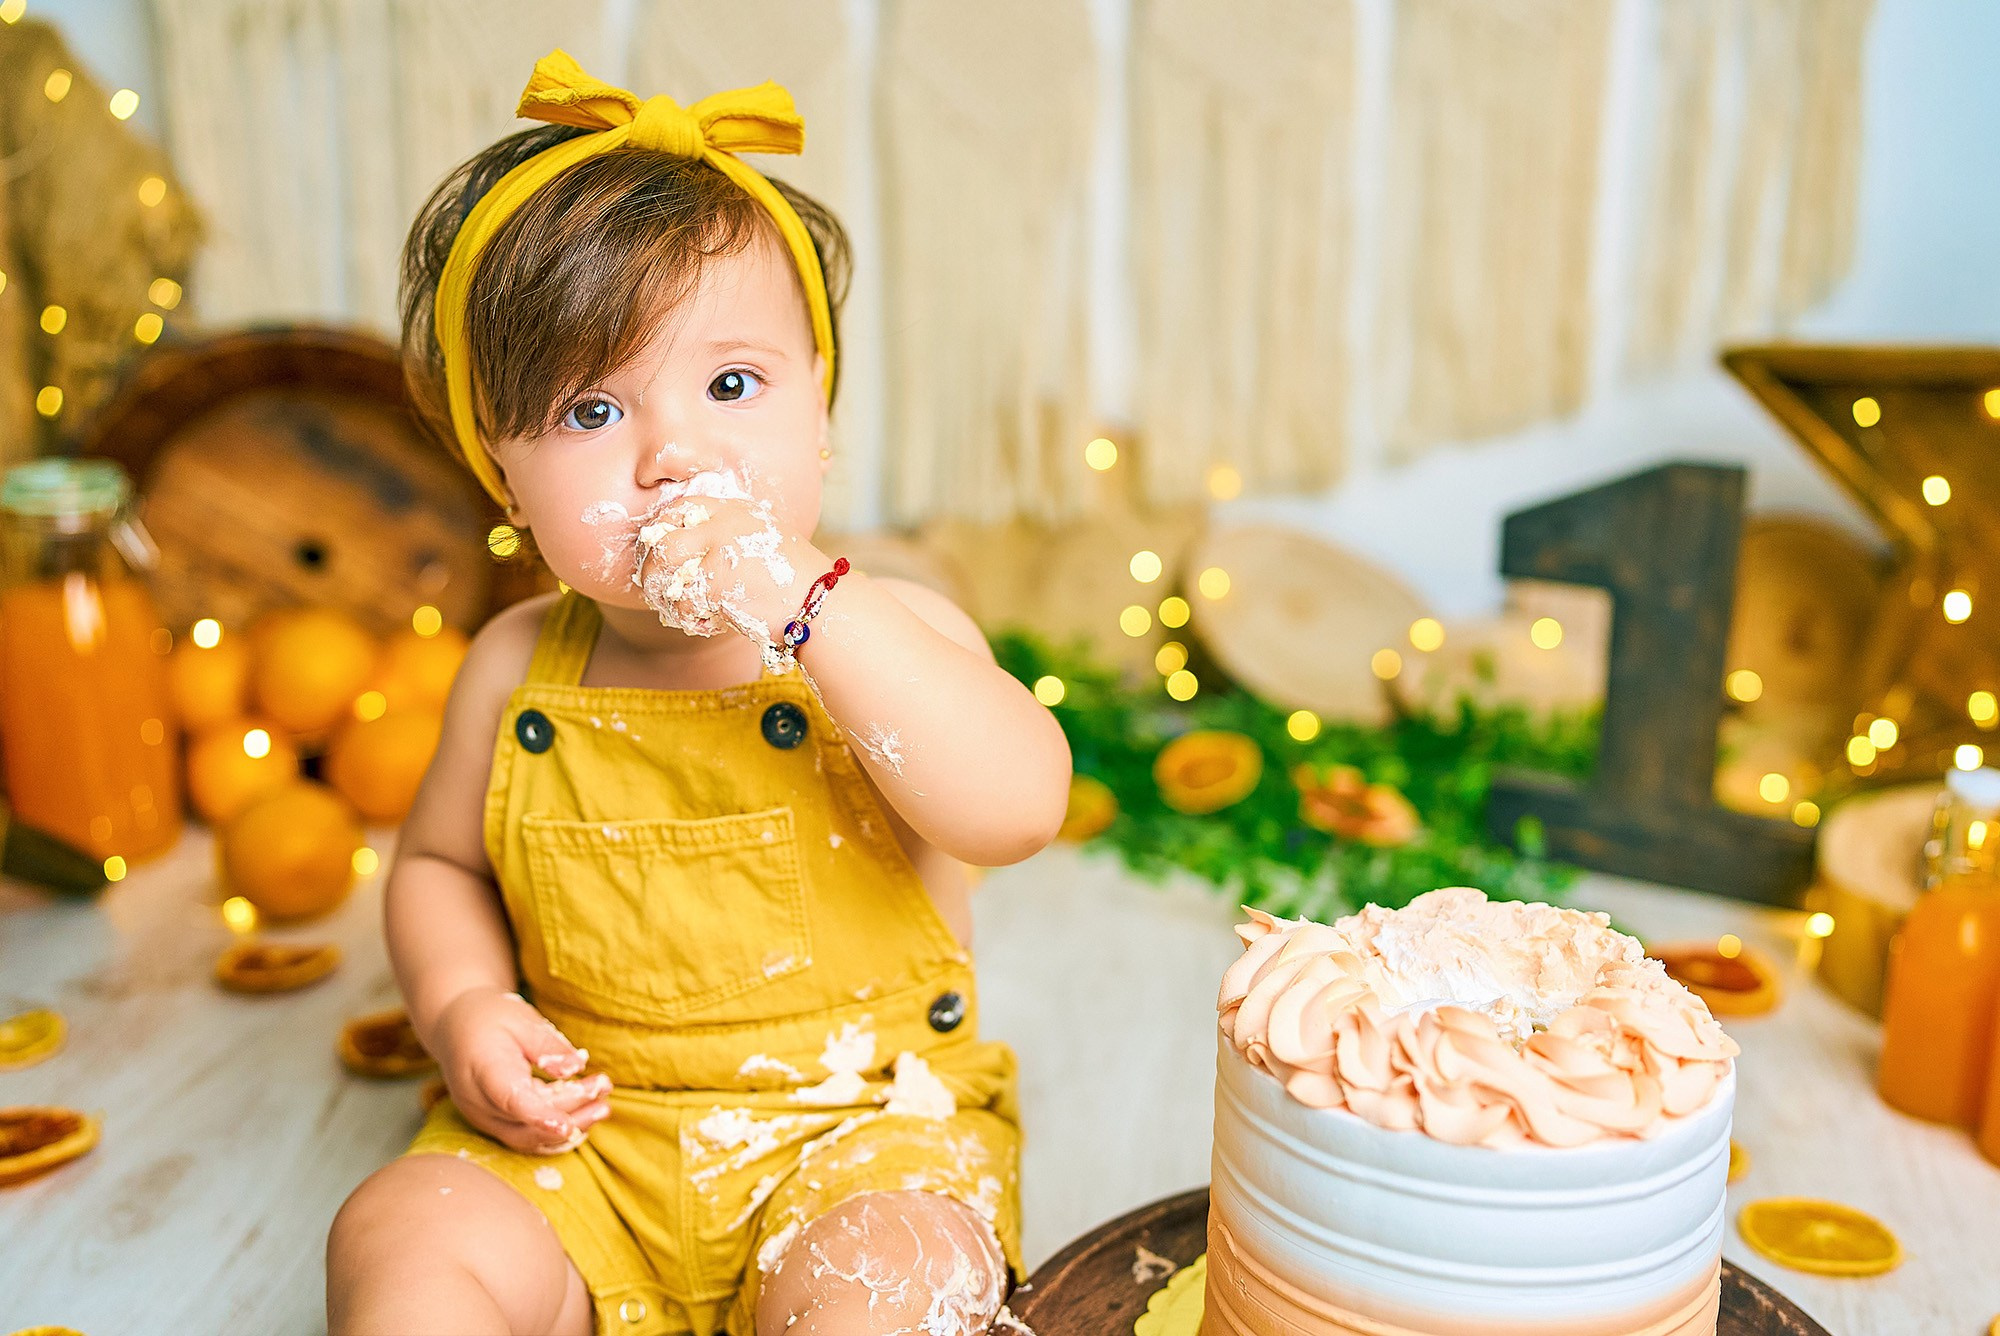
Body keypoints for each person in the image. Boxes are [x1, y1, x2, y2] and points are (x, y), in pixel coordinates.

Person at [325, 52, 1071, 1336]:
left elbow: (1014, 808)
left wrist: (809, 601)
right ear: (503, 480)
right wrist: (460, 1009)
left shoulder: (888, 635)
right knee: (398, 1239)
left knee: (888, 1283)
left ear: (820, 417)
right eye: (591, 409)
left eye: (733, 386)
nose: (674, 454)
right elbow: (439, 866)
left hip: (860, 1135)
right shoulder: (512, 669)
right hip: (583, 1144)